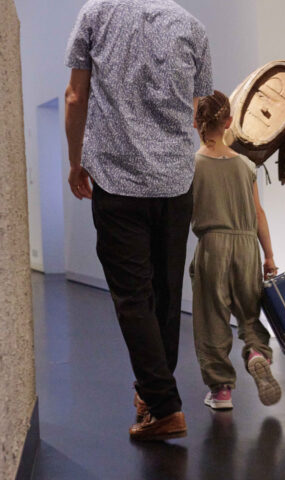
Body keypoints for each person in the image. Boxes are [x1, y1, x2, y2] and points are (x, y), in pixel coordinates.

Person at [64, 0, 212, 441]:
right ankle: (153, 396)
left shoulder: (94, 14)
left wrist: (76, 163)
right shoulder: (192, 26)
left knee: (133, 298)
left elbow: (75, 94)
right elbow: (199, 104)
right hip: (174, 181)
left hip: (117, 179)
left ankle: (165, 407)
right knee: (166, 296)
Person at [190, 91, 281, 410]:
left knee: (211, 318)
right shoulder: (245, 165)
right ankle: (257, 353)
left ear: (194, 122)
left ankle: (221, 391)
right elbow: (259, 213)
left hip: (213, 245)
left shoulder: (193, 164)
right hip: (246, 247)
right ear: (229, 122)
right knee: (249, 312)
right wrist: (268, 256)